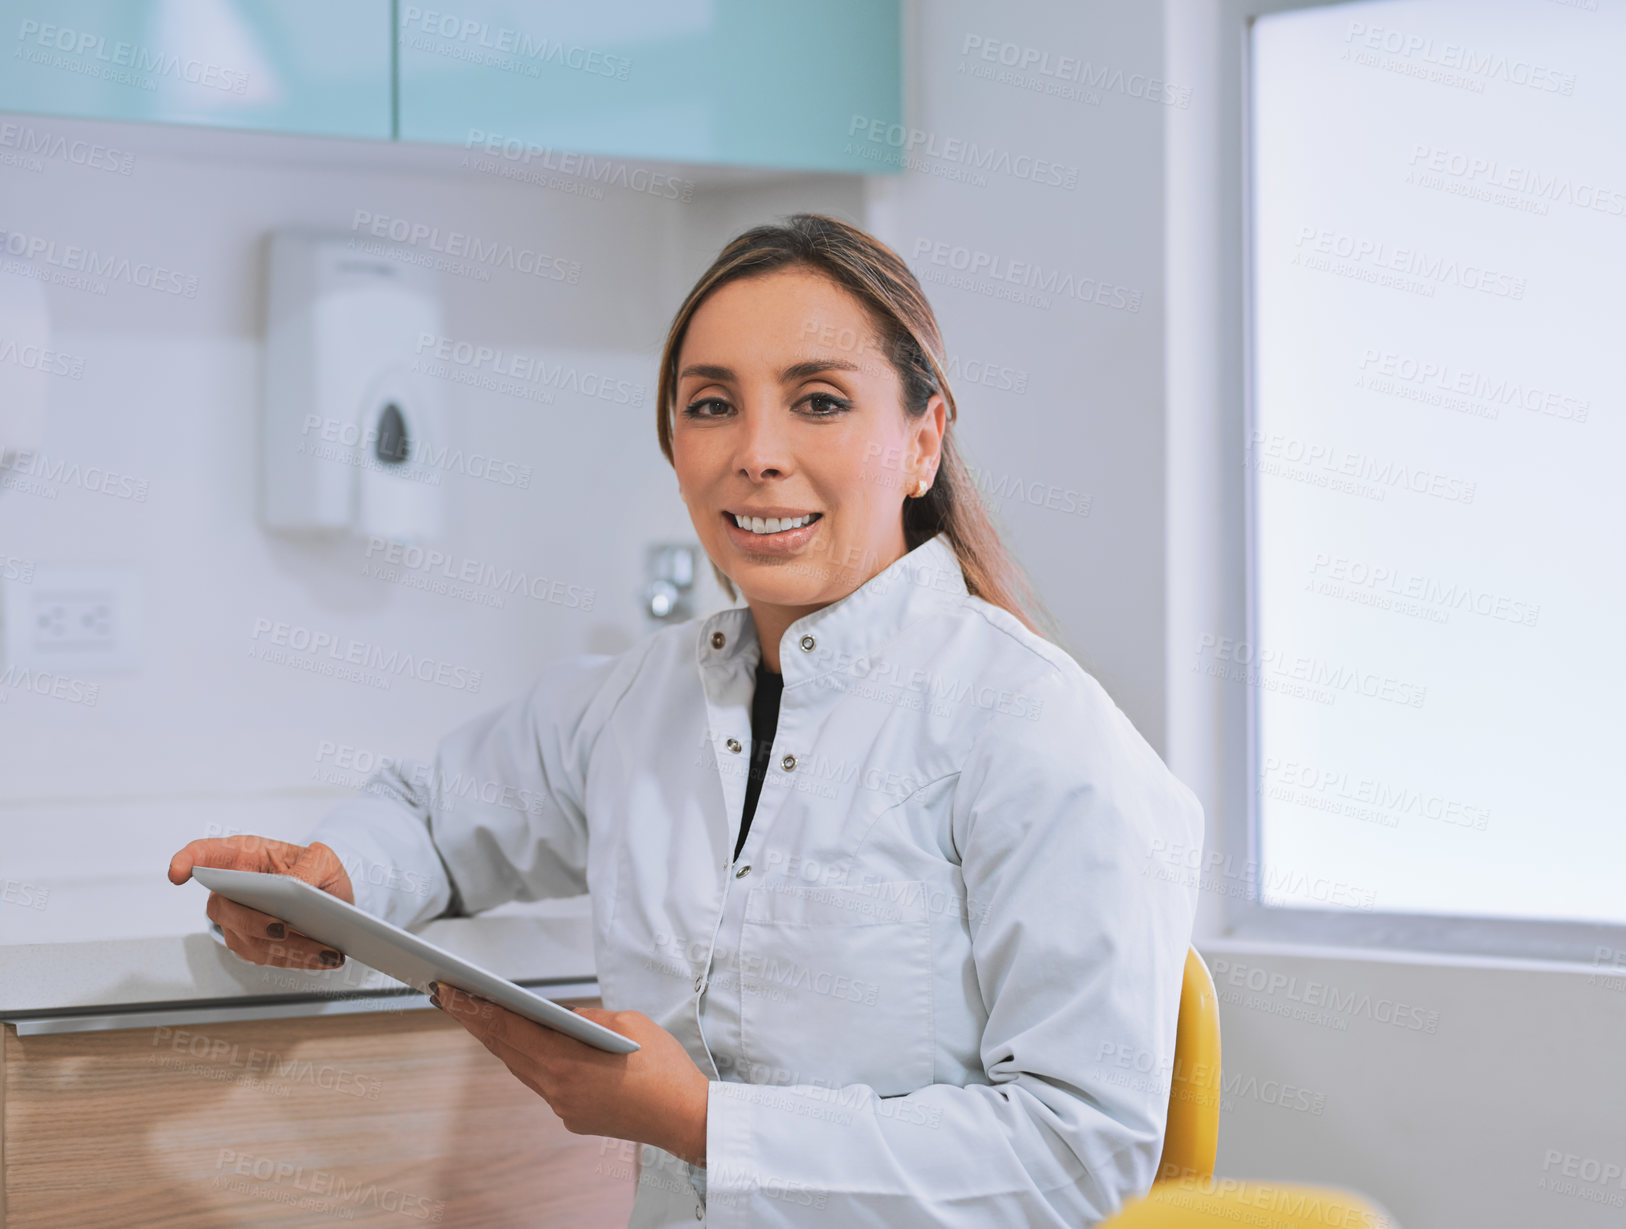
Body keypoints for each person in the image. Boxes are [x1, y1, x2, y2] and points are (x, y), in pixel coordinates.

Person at [169, 213, 1203, 1228]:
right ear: (673, 443)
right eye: (712, 404)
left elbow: (1084, 1148)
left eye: (819, 401)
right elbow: (435, 815)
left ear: (923, 441)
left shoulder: (1035, 726)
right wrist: (328, 881)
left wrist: (708, 1123)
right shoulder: (632, 704)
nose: (756, 452)